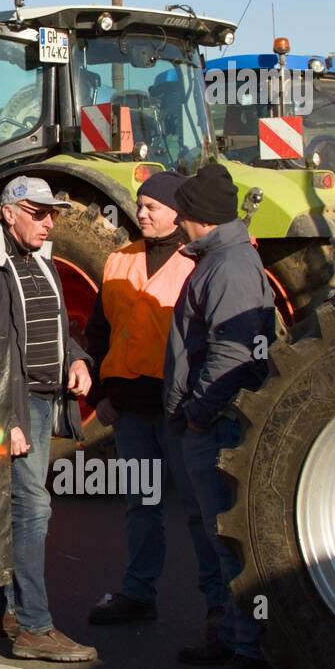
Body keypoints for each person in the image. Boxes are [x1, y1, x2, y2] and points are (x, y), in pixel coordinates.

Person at [0, 176, 97, 663]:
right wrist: (5, 420)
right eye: (39, 212)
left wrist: (75, 358)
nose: (49, 221)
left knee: (18, 508)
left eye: (52, 212)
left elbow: (54, 324)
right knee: (31, 508)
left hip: (39, 400)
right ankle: (34, 625)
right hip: (12, 408)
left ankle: (8, 612)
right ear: (8, 213)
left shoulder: (40, 261)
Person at [83, 172, 227, 629]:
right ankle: (138, 592)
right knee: (141, 506)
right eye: (139, 205)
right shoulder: (118, 261)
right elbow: (100, 333)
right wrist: (104, 394)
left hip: (179, 412)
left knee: (199, 510)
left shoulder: (198, 262)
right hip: (131, 413)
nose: (141, 213)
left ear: (177, 213)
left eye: (151, 206)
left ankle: (220, 607)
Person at [164, 162, 280, 669]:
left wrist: (197, 415)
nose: (175, 221)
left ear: (200, 219)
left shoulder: (229, 267)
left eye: (182, 213)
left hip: (215, 426)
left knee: (228, 541)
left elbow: (230, 353)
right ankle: (232, 636)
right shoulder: (223, 258)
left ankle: (252, 651)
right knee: (216, 539)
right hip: (210, 422)